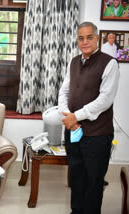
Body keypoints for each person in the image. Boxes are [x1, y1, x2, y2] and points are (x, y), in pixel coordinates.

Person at [58, 22, 120, 214]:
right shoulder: (74, 61)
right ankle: (76, 211)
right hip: (73, 131)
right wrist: (67, 115)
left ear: (97, 38)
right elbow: (64, 90)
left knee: (93, 180)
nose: (85, 42)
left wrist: (76, 116)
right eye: (81, 38)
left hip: (97, 135)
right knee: (76, 176)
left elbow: (105, 100)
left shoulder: (109, 63)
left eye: (89, 37)